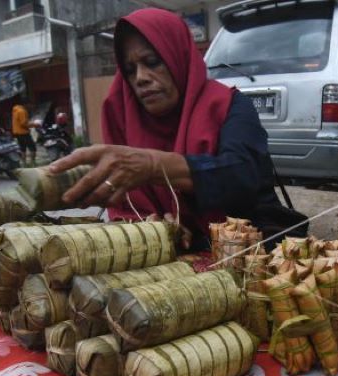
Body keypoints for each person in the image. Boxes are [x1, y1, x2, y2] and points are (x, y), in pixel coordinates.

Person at [48, 8, 287, 251]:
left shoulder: (229, 106)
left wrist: (151, 165)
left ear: (178, 57)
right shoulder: (125, 119)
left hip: (249, 247)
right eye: (130, 70)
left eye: (152, 62)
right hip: (170, 255)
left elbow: (240, 175)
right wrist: (156, 228)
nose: (140, 77)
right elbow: (127, 210)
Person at [12, 97, 36, 167]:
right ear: (26, 104)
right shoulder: (22, 111)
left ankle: (24, 164)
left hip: (17, 132)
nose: (31, 106)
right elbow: (23, 124)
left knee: (23, 149)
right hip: (24, 133)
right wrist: (34, 125)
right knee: (33, 148)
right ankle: (33, 163)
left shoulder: (15, 109)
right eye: (30, 104)